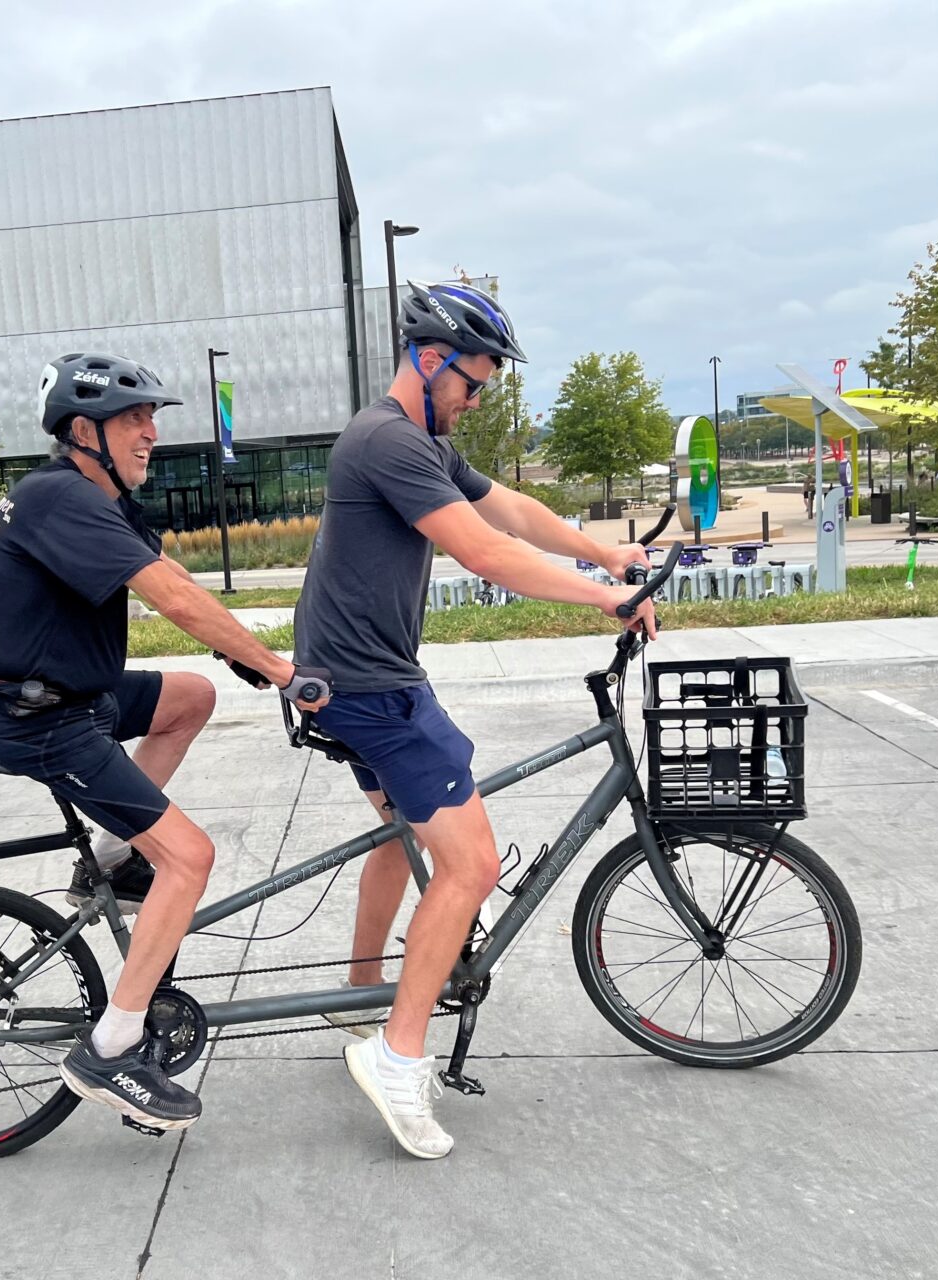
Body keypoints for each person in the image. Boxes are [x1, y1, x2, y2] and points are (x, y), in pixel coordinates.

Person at [292, 281, 656, 1160]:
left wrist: (604, 551)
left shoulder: (418, 441)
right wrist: (604, 597)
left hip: (351, 678)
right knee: (472, 864)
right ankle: (396, 1057)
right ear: (429, 359)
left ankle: (361, 992)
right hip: (371, 689)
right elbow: (485, 551)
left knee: (404, 832)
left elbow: (510, 511)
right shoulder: (386, 440)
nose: (478, 399)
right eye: (474, 382)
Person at [0, 351, 329, 1133]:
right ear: (83, 431)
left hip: (78, 697)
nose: (151, 433)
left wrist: (248, 655)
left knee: (190, 698)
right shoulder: (59, 498)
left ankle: (108, 858)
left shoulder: (97, 498)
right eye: (134, 418)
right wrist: (281, 673)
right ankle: (112, 1048)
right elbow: (166, 595)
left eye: (151, 418)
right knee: (189, 858)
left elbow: (171, 572)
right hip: (42, 723)